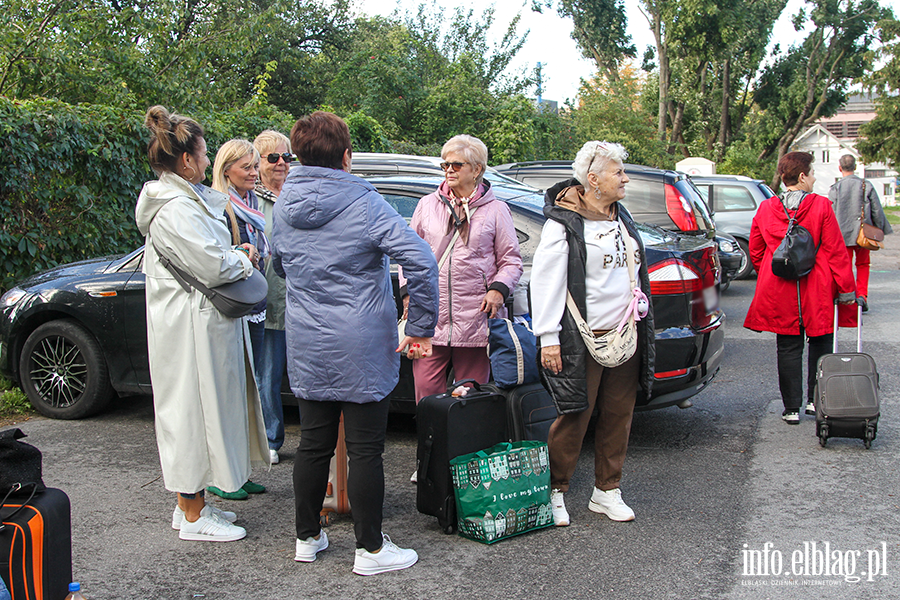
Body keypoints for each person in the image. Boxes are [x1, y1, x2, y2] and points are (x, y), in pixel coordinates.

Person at [273, 111, 438, 575]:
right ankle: (369, 550)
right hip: (362, 341)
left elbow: (280, 265)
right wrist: (422, 325)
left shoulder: (283, 204)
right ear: (346, 156)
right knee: (366, 449)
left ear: (299, 153)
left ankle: (307, 537)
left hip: (307, 337)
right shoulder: (365, 202)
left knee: (311, 444)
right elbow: (421, 260)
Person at [135, 105, 268, 542]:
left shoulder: (181, 203)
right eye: (205, 154)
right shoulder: (175, 209)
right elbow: (212, 264)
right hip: (188, 329)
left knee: (201, 411)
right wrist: (242, 258)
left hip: (196, 324)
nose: (209, 162)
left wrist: (232, 257)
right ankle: (192, 515)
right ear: (187, 160)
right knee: (190, 414)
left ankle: (191, 506)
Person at [531, 141, 655, 527]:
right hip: (580, 337)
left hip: (625, 334)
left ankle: (607, 491)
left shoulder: (621, 217)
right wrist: (548, 337)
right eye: (618, 172)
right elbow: (547, 281)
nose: (625, 178)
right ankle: (555, 490)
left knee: (619, 414)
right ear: (593, 179)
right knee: (575, 415)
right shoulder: (564, 222)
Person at [399, 134, 523, 403]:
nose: (449, 170)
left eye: (457, 165)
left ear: (477, 169)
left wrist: (498, 290)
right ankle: (432, 445)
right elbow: (408, 256)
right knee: (426, 397)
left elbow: (511, 260)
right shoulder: (426, 205)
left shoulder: (496, 210)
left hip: (477, 321)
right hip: (429, 320)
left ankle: (466, 446)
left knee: (471, 401)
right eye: (445, 165)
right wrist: (408, 293)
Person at [744, 151, 858, 424]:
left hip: (780, 286)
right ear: (803, 176)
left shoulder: (767, 208)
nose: (815, 178)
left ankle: (791, 408)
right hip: (816, 284)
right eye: (813, 173)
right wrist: (846, 289)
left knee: (788, 345)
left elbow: (756, 250)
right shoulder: (820, 206)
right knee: (820, 343)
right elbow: (835, 251)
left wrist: (770, 271)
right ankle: (813, 401)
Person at [207, 139, 269, 500]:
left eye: (254, 166)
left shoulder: (252, 204)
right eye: (246, 166)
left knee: (250, 391)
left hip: (254, 306)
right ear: (225, 169)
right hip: (232, 310)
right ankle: (220, 475)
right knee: (228, 392)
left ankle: (239, 471)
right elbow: (213, 257)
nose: (253, 172)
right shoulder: (218, 207)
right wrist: (241, 252)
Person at [252, 130, 293, 465]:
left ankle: (316, 440)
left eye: (286, 157)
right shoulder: (250, 200)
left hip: (304, 302)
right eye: (273, 158)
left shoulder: (298, 194)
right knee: (268, 375)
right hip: (269, 302)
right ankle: (271, 437)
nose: (281, 164)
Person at [828, 154, 893, 311]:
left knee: (845, 266)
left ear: (840, 167)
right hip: (863, 234)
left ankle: (848, 297)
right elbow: (877, 209)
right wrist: (881, 229)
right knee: (863, 264)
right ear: (855, 167)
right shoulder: (866, 185)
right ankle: (862, 296)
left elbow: (830, 213)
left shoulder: (835, 188)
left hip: (842, 234)